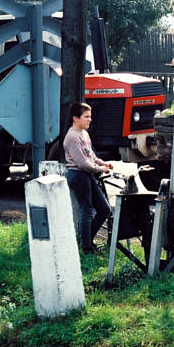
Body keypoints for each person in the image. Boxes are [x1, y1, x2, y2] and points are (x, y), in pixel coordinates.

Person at [63, 102, 112, 254]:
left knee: (104, 209)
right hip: (78, 175)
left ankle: (87, 240)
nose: (89, 120)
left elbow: (90, 156)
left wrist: (102, 163)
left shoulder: (84, 133)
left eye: (90, 117)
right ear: (75, 118)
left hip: (87, 175)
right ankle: (87, 248)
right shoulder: (72, 137)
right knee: (86, 210)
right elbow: (83, 163)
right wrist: (100, 169)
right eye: (86, 117)